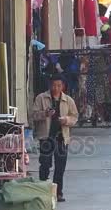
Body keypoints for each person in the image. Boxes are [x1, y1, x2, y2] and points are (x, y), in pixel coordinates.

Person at [32, 74, 79, 202]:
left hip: (62, 137)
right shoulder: (41, 98)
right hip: (46, 137)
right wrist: (45, 114)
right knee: (45, 164)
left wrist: (66, 120)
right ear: (50, 85)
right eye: (54, 85)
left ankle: (58, 192)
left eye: (59, 85)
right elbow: (34, 115)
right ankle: (43, 190)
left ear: (63, 86)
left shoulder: (68, 100)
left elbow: (75, 117)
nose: (56, 88)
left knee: (60, 167)